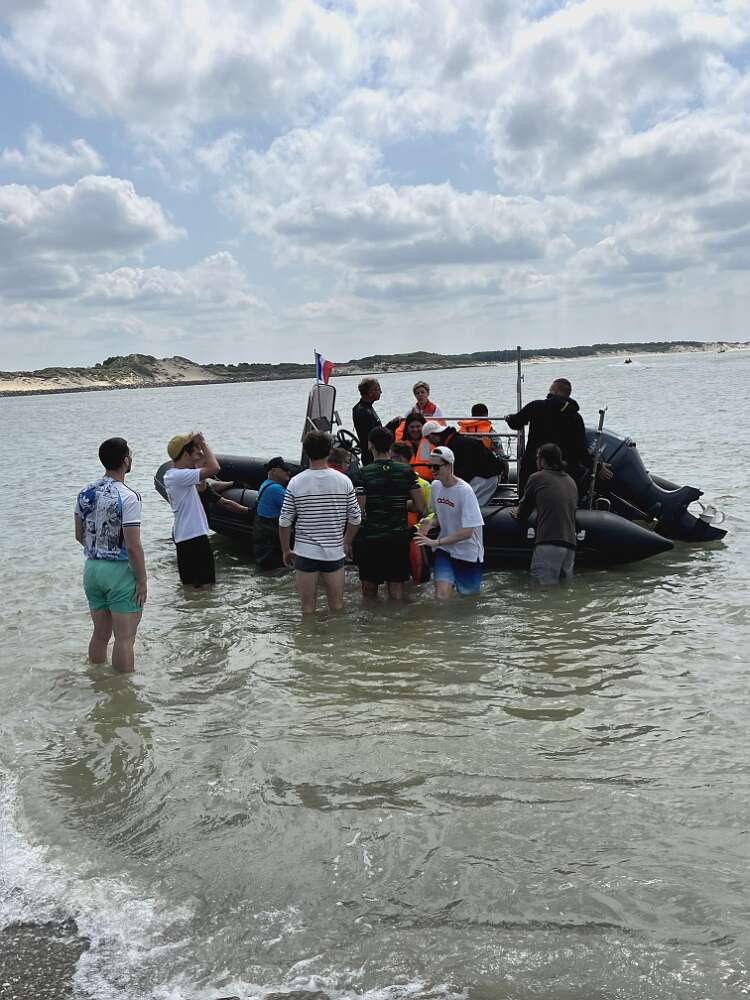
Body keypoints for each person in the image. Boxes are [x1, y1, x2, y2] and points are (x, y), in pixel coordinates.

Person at [74, 437, 146, 673]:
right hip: (119, 571)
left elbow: (79, 535)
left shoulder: (85, 492)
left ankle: (97, 680)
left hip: (92, 569)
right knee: (125, 638)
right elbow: (133, 547)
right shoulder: (128, 497)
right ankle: (122, 689)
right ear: (125, 461)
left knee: (100, 634)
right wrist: (142, 581)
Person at [278, 430, 362, 614]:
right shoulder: (344, 481)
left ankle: (308, 634)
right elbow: (356, 518)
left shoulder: (296, 482)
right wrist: (346, 542)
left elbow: (284, 521)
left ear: (306, 451)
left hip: (305, 553)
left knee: (307, 609)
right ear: (329, 451)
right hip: (334, 552)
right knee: (337, 607)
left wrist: (285, 549)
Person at [353, 427, 425, 600]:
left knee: (369, 590)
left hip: (371, 538)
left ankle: (371, 617)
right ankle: (397, 617)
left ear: (370, 445)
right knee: (396, 589)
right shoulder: (406, 471)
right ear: (391, 445)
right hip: (397, 538)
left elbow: (359, 511)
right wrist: (397, 504)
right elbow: (420, 506)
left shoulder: (364, 473)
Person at [504, 377, 611, 494]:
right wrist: (597, 466)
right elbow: (581, 450)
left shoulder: (536, 406)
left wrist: (508, 417)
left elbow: (515, 423)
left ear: (554, 391)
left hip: (534, 467)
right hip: (563, 473)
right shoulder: (576, 417)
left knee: (527, 493)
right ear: (568, 394)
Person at [415, 446, 484, 598]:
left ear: (449, 466)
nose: (431, 470)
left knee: (468, 600)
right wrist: (429, 522)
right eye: (429, 466)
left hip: (467, 553)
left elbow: (467, 532)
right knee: (441, 596)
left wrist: (436, 542)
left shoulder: (465, 491)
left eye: (436, 467)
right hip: (445, 550)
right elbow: (437, 517)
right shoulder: (435, 486)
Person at [511, 442, 578, 585]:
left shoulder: (537, 477)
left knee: (542, 590)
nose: (536, 461)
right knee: (565, 590)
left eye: (537, 458)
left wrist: (517, 512)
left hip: (549, 543)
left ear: (543, 460)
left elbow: (524, 510)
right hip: (570, 546)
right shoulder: (571, 481)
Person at [164, 431, 221, 587]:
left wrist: (199, 460)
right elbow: (215, 468)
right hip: (194, 538)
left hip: (185, 538)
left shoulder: (175, 475)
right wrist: (203, 443)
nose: (199, 454)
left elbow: (201, 488)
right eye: (195, 451)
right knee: (207, 587)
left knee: (191, 589)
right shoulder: (179, 476)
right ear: (185, 454)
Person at [421, 420, 504, 505]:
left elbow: (464, 471)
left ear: (432, 436)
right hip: (484, 473)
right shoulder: (455, 441)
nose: (430, 442)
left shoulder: (454, 445)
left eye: (429, 439)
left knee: (469, 504)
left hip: (486, 477)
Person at [252, 457, 291, 569]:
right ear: (274, 470)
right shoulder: (275, 489)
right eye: (284, 469)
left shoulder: (266, 484)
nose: (288, 472)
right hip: (271, 541)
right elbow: (296, 508)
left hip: (263, 539)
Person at [458, 403, 509, 480]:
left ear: (472, 415)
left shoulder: (461, 433)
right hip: (486, 474)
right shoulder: (491, 433)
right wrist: (506, 476)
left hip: (464, 474)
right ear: (486, 415)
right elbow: (502, 457)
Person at [352, 377, 382, 465]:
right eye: (378, 389)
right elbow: (371, 436)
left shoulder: (367, 408)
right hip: (372, 457)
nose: (381, 392)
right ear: (371, 392)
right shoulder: (363, 411)